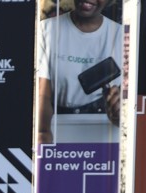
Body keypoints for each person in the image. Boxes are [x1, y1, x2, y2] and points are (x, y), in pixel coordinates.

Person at [35, 0, 123, 144]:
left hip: (103, 131)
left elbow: (127, 100)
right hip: (57, 124)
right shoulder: (46, 30)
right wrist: (42, 132)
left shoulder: (121, 36)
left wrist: (121, 116)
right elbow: (42, 94)